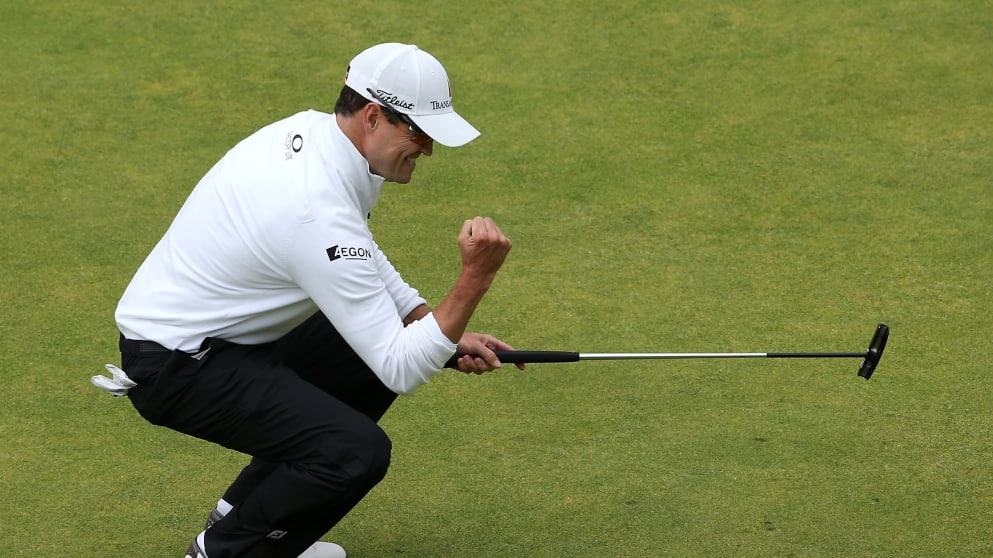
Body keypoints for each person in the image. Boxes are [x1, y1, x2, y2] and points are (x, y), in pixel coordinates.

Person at [94, 43, 521, 558]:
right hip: (179, 365)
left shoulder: (325, 139)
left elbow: (357, 252)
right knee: (354, 453)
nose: (428, 149)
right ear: (372, 116)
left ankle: (237, 512)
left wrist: (428, 324)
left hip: (224, 337)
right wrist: (475, 278)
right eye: (419, 132)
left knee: (381, 345)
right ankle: (225, 553)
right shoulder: (312, 207)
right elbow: (401, 369)